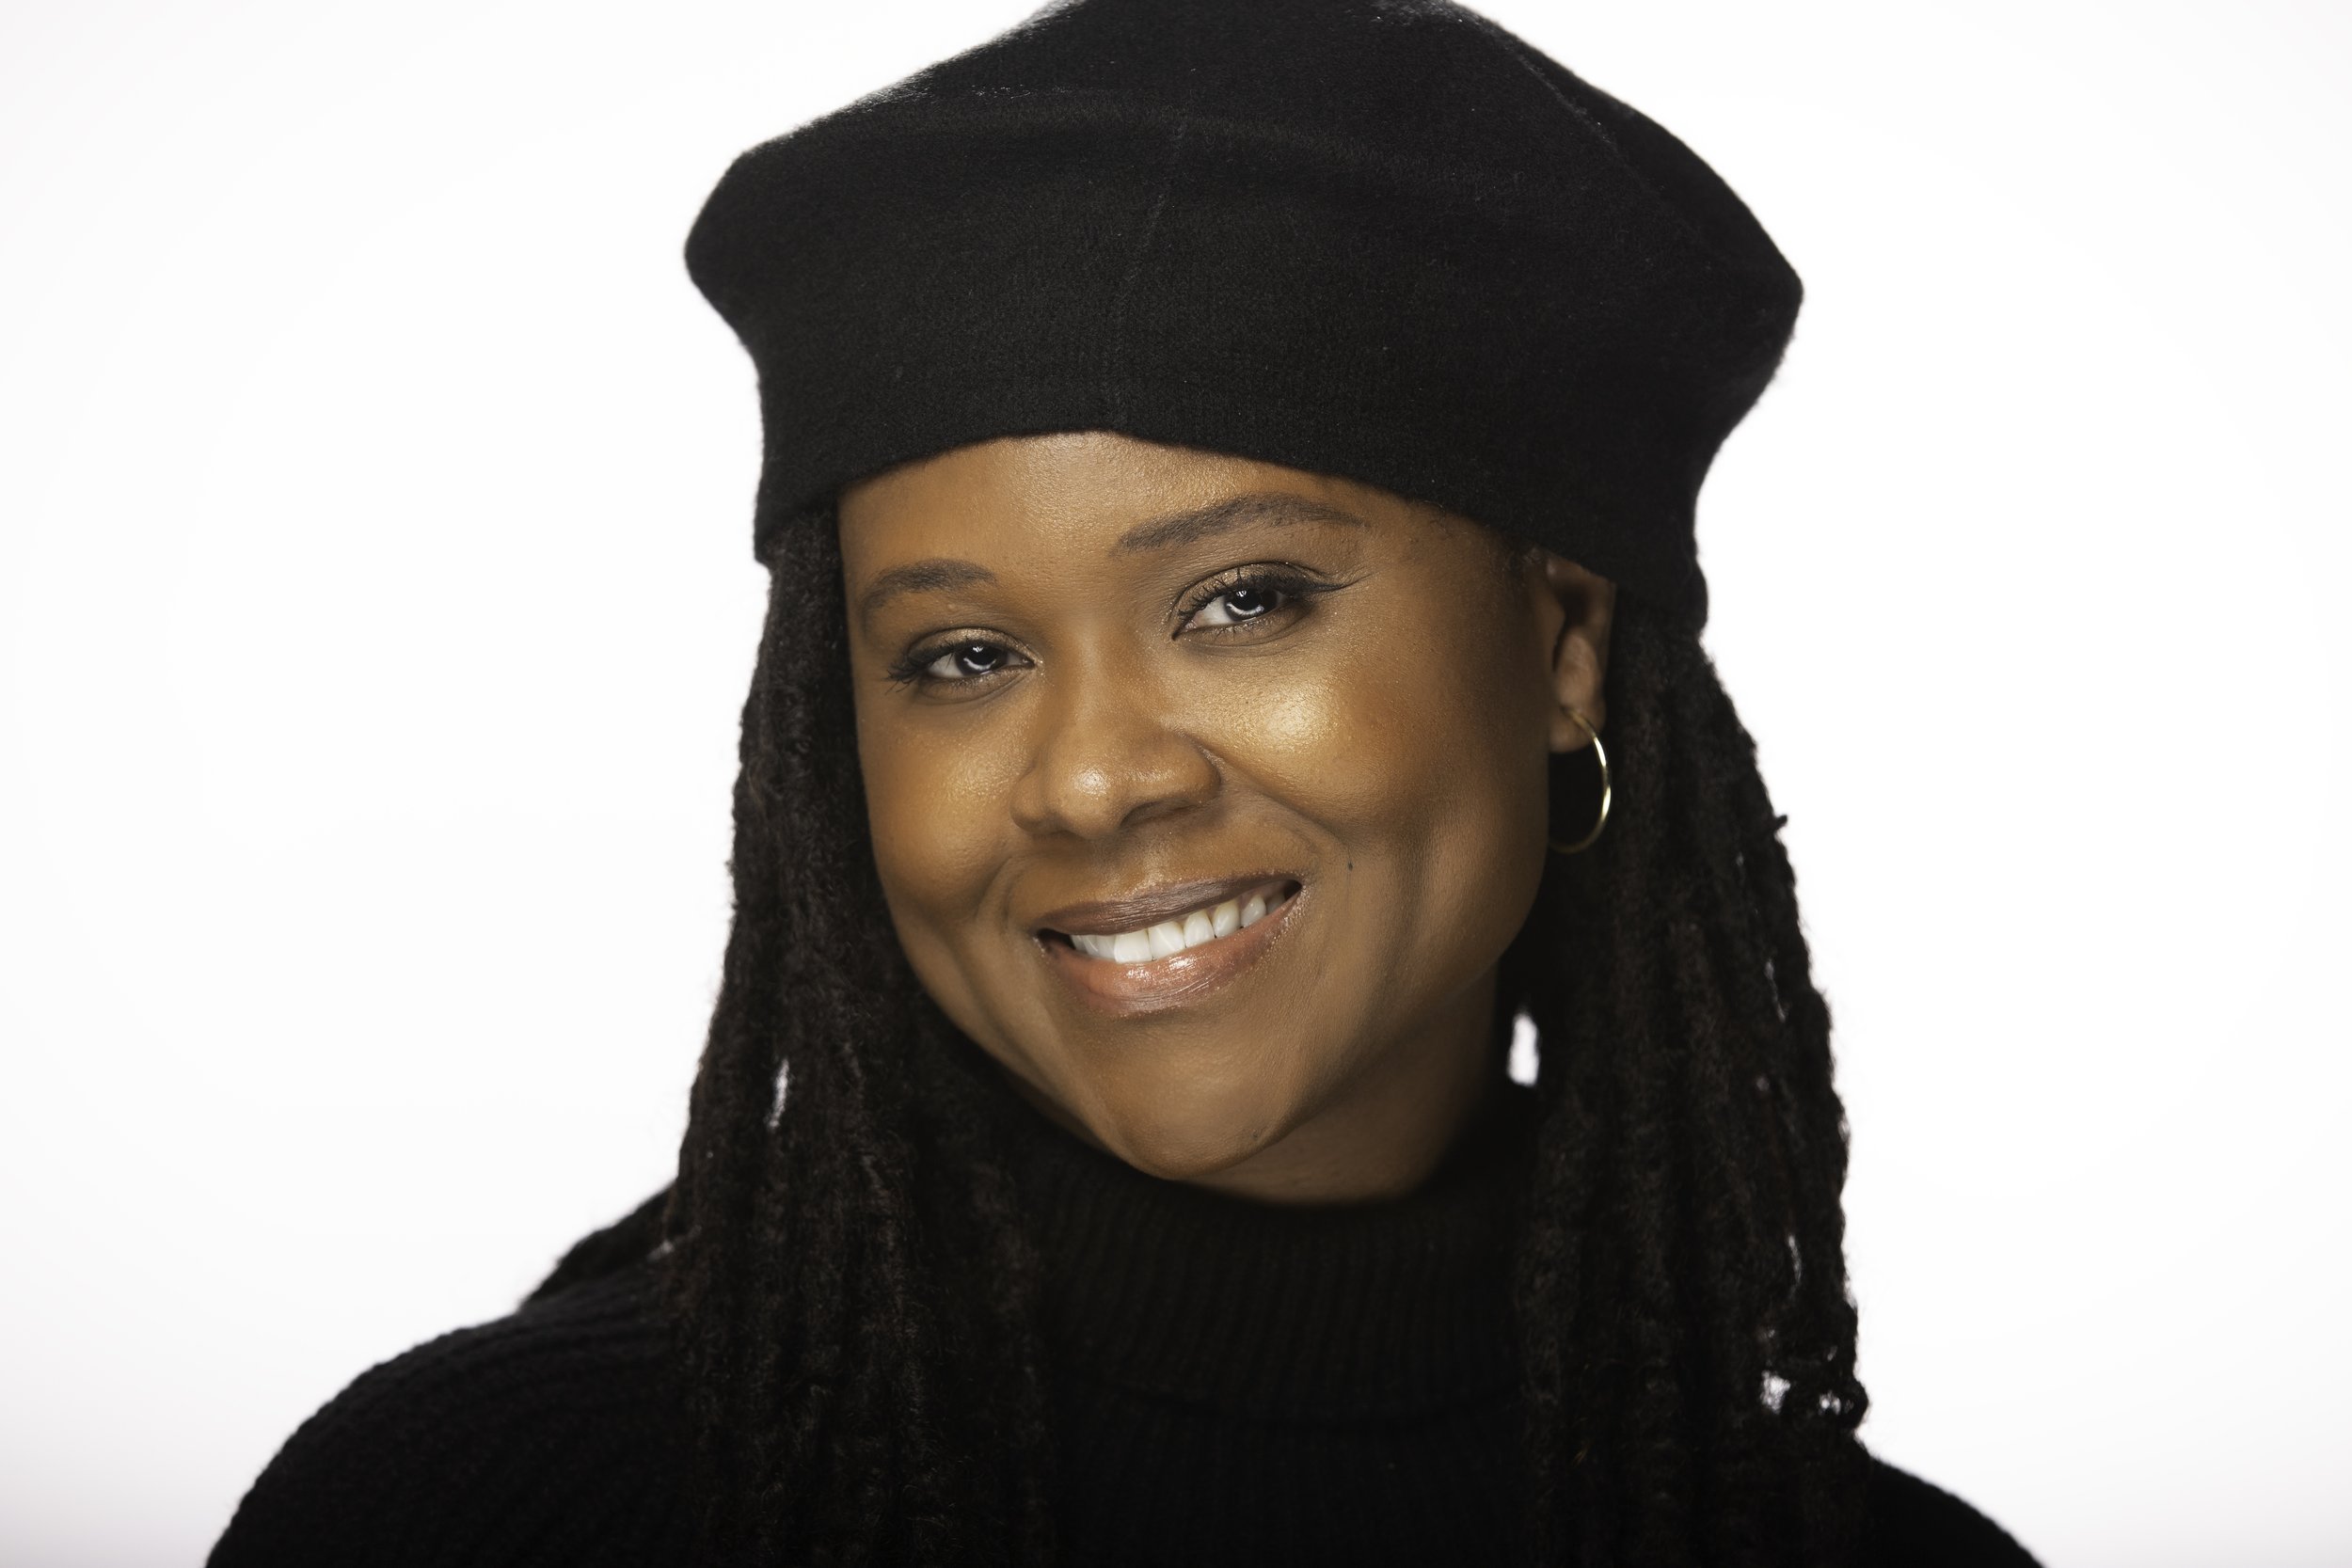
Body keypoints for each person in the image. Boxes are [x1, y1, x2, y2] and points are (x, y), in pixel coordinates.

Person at [211, 1, 2042, 1563]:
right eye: (961, 656)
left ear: (1560, 642)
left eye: (1244, 601)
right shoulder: (493, 1514)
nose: (1089, 781)